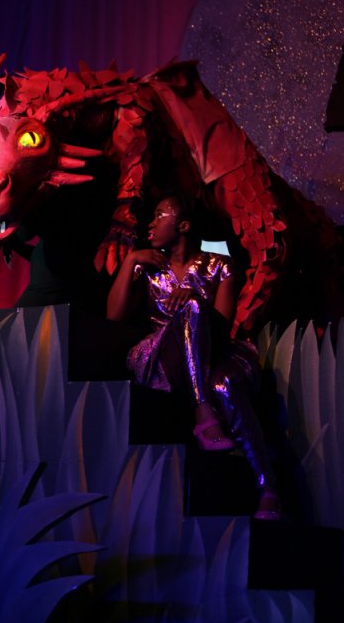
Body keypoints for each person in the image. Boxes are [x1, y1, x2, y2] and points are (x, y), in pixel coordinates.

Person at [107, 194, 280, 521]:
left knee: (224, 384)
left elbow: (222, 329)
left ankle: (267, 488)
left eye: (160, 215)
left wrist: (195, 299)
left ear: (183, 225)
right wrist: (130, 261)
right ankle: (203, 411)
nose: (151, 223)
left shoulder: (219, 265)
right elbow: (114, 316)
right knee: (192, 308)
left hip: (211, 351)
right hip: (163, 358)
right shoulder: (148, 266)